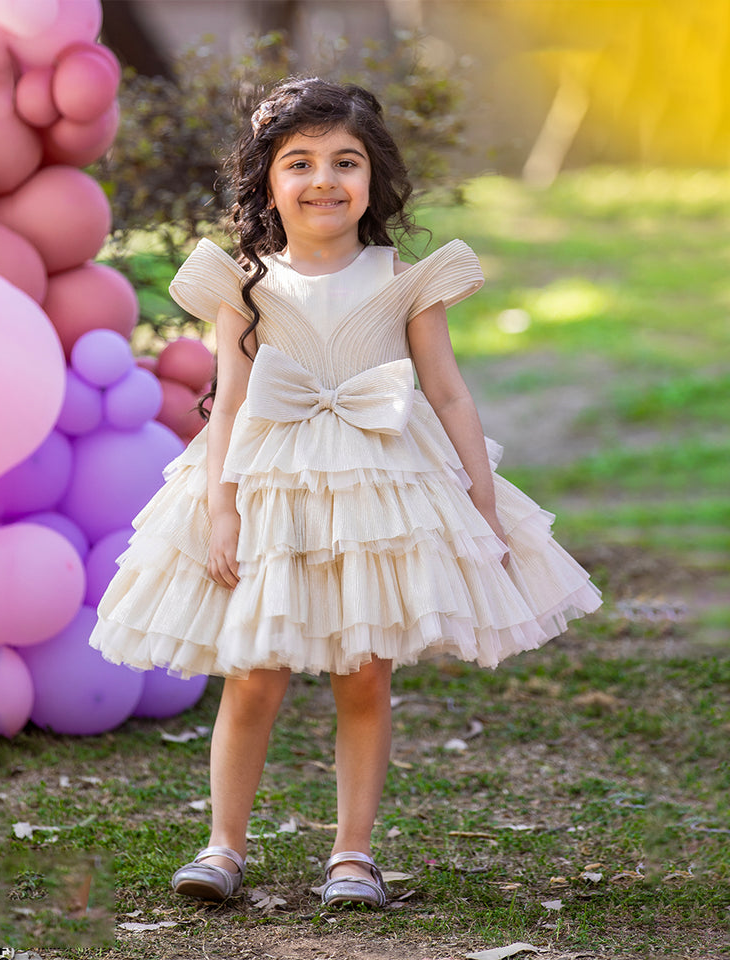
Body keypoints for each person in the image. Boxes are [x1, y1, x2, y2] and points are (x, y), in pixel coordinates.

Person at [89, 77, 602, 909]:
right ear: (266, 183)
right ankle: (223, 845)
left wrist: (477, 496)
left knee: (363, 674)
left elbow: (449, 393)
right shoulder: (243, 284)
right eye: (299, 162)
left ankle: (352, 855)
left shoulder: (402, 278)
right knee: (253, 671)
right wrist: (222, 508)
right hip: (270, 489)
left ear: (374, 178)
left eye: (345, 161)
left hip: (379, 493)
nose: (323, 179)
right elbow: (229, 401)